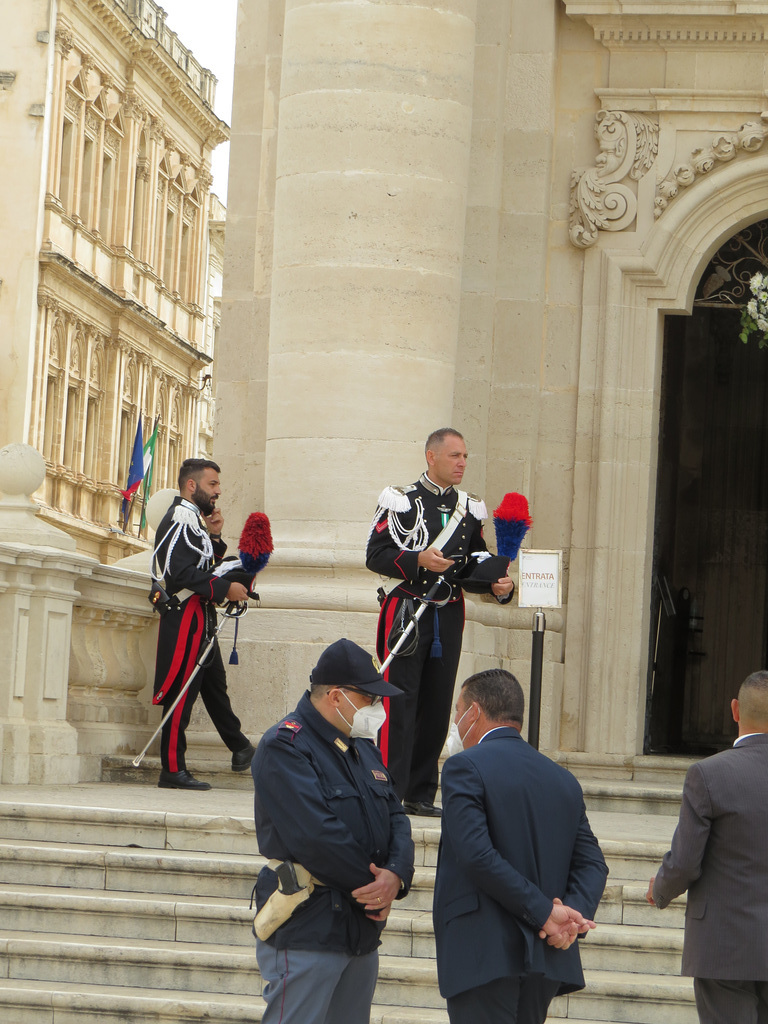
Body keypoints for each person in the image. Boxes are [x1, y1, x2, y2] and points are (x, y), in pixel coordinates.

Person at [251, 638, 415, 1024]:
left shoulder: (362, 747)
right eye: (369, 699)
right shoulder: (285, 746)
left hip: (359, 930)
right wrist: (373, 888)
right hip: (311, 923)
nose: (377, 709)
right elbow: (316, 836)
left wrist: (396, 876)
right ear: (338, 697)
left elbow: (397, 817)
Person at [433, 668, 608, 1024]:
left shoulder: (463, 767)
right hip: (546, 954)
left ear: (474, 712)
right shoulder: (562, 779)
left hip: (483, 952)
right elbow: (593, 865)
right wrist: (569, 917)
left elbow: (476, 855)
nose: (454, 721)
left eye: (456, 711)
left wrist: (547, 914)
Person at [366, 427, 515, 816]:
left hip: (447, 612)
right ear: (431, 457)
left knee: (436, 705)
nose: (462, 462)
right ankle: (389, 791)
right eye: (455, 456)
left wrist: (498, 586)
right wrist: (417, 561)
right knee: (399, 702)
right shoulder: (401, 501)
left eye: (465, 456)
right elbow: (375, 554)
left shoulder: (470, 508)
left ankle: (420, 792)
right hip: (407, 612)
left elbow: (472, 563)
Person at [646, 669, 768, 1024]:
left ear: (735, 710)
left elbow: (685, 862)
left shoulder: (708, 774)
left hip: (725, 943)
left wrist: (662, 889)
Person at [150, 458, 256, 790]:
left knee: (213, 687)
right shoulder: (181, 517)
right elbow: (181, 573)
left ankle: (240, 748)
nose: (218, 492)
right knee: (182, 692)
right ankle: (172, 769)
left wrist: (215, 535)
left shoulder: (193, 520)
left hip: (199, 617)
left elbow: (203, 562)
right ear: (192, 485)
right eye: (212, 485)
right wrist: (226, 589)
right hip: (185, 618)